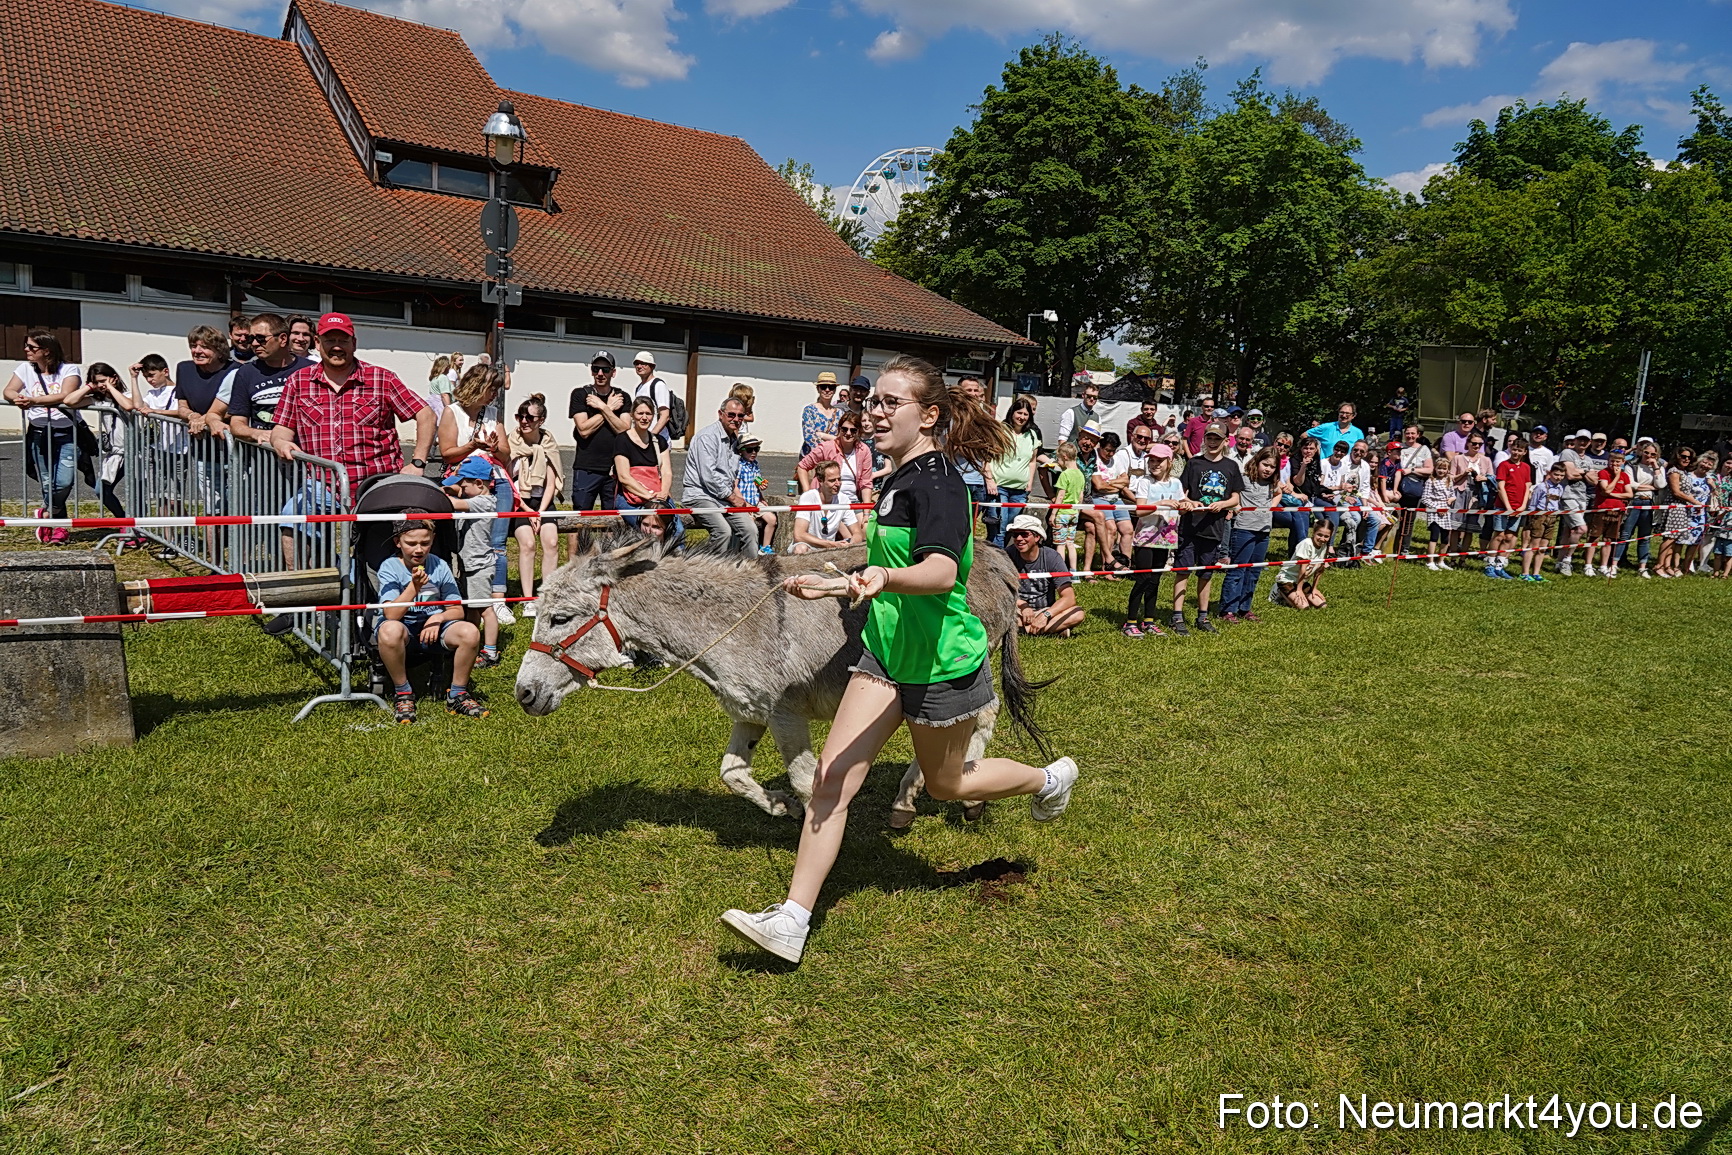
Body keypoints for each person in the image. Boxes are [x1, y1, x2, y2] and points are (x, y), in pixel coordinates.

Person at [721, 355, 1079, 965]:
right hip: (886, 654)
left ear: (929, 415)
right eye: (875, 401)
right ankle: (791, 920)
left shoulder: (937, 482)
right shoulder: (895, 479)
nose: (876, 412)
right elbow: (892, 565)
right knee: (832, 779)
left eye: (893, 403)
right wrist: (839, 586)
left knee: (947, 783)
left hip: (942, 661)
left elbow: (941, 572)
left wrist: (880, 576)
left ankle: (1049, 778)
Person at [271, 313, 435, 495]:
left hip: (376, 485)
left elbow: (425, 414)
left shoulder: (381, 378)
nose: (336, 347)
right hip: (320, 486)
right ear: (317, 343)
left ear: (354, 343)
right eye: (330, 340)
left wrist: (417, 463)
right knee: (293, 522)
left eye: (343, 341)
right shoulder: (298, 381)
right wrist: (279, 442)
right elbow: (283, 427)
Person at [374, 512, 486, 723]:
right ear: (398, 542)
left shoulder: (440, 566)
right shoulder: (390, 568)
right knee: (389, 630)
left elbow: (457, 610)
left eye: (425, 543)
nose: (418, 549)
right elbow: (391, 614)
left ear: (433, 540)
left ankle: (457, 694)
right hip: (402, 627)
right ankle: (403, 693)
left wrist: (437, 619)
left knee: (470, 632)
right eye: (411, 543)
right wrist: (414, 587)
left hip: (435, 626)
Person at [438, 364, 515, 622]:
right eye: (490, 388)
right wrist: (472, 445)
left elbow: (506, 454)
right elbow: (447, 452)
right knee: (463, 540)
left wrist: (494, 449)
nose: (494, 394)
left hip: (494, 479)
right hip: (463, 479)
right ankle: (466, 592)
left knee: (497, 541)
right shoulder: (452, 412)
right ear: (476, 386)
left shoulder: (493, 413)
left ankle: (497, 599)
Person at [4, 329, 87, 541]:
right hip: (39, 431)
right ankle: (58, 527)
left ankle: (47, 514)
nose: (26, 350)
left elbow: (66, 395)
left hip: (66, 431)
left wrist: (33, 401)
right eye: (26, 345)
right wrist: (17, 398)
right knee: (48, 482)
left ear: (47, 351)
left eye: (31, 347)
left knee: (65, 481)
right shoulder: (25, 368)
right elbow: (9, 390)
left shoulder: (69, 369)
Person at [1169, 422, 1243, 635]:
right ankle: (1177, 616)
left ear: (1225, 441)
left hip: (1214, 528)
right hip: (1190, 527)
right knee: (1183, 571)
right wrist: (1189, 502)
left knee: (1206, 574)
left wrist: (1223, 504)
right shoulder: (1194, 464)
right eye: (1209, 438)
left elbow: (1236, 497)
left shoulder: (1231, 466)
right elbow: (1181, 492)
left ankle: (1203, 616)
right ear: (1204, 440)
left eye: (1217, 439)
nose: (1212, 442)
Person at [442, 456, 504, 669]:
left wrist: (442, 495)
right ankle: (472, 643)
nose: (461, 489)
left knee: (486, 608)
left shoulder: (483, 502)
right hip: (468, 564)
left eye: (463, 484)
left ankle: (491, 652)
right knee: (471, 608)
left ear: (479, 484)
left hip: (479, 565)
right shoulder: (474, 499)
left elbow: (452, 503)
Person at [508, 393, 563, 615]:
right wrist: (528, 511)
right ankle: (528, 598)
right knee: (528, 544)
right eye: (520, 416)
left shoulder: (548, 443)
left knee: (551, 542)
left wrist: (539, 512)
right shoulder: (511, 442)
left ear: (541, 420)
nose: (523, 422)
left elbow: (551, 483)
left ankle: (546, 596)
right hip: (519, 501)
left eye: (529, 418)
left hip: (542, 501)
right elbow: (508, 483)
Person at [681, 397, 757, 552]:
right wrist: (732, 497)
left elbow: (731, 476)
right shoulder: (707, 437)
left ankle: (751, 572)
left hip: (723, 497)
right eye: (731, 414)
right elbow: (709, 476)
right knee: (723, 532)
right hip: (701, 495)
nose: (736, 419)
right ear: (720, 414)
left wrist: (740, 499)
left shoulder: (735, 439)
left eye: (740, 416)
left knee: (751, 530)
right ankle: (714, 574)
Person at [227, 313, 314, 447]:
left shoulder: (310, 370)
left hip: (303, 461)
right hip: (263, 461)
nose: (255, 344)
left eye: (261, 338)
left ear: (283, 339)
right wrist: (255, 433)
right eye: (252, 338)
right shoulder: (246, 372)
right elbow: (237, 422)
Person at [79, 362, 142, 545]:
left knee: (136, 493)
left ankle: (138, 530)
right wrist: (89, 387)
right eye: (96, 382)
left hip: (134, 453)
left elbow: (128, 406)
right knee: (102, 489)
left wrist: (112, 389)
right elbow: (70, 401)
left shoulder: (127, 395)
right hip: (115, 454)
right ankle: (123, 521)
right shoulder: (99, 400)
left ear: (113, 377)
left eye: (102, 380)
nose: (100, 385)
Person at [1123, 441, 1182, 638]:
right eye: (1152, 460)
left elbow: (1181, 502)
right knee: (1143, 579)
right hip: (1145, 538)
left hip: (1166, 538)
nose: (1155, 464)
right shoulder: (1144, 482)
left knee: (1155, 580)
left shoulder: (1176, 483)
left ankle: (1149, 620)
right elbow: (1140, 510)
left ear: (1169, 462)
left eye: (1159, 460)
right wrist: (1160, 503)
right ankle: (1130, 622)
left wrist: (1190, 504)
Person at [567, 350, 632, 515]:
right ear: (591, 371)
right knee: (579, 520)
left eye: (605, 369)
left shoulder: (622, 397)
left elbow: (625, 430)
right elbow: (583, 429)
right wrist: (610, 408)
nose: (600, 373)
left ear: (613, 372)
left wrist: (603, 407)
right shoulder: (581, 394)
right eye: (596, 369)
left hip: (614, 469)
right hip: (586, 467)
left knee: (612, 520)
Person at [1220, 446, 1280, 622]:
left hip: (1264, 530)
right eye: (1265, 464)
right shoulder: (1244, 478)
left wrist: (1272, 506)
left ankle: (1244, 608)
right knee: (1238, 569)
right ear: (1257, 461)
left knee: (1254, 571)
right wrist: (1235, 506)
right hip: (1244, 529)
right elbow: (1231, 494)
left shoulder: (1272, 483)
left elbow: (1279, 493)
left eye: (1272, 467)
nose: (1268, 469)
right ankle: (1227, 609)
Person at [1004, 515, 1085, 636]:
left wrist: (1045, 615)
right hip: (1016, 610)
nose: (1019, 539)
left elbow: (1069, 598)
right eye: (1015, 535)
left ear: (1037, 537)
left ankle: (1023, 630)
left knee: (1078, 613)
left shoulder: (1052, 557)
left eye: (1024, 534)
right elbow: (1002, 593)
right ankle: (1051, 630)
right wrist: (1023, 605)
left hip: (1045, 611)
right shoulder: (1006, 555)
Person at [985, 394, 1041, 549]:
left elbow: (1032, 461)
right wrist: (989, 480)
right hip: (999, 487)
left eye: (1025, 414)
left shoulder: (1032, 436)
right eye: (1019, 413)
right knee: (1000, 528)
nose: (1021, 417)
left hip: (1020, 490)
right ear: (1012, 413)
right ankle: (997, 563)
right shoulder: (1000, 431)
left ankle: (992, 552)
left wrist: (1029, 482)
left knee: (1010, 526)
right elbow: (987, 457)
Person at [613, 395, 675, 533]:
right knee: (649, 529)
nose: (644, 417)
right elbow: (624, 477)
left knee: (676, 530)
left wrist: (664, 492)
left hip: (659, 496)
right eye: (640, 413)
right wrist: (649, 496)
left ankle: (677, 554)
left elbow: (666, 471)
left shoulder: (660, 441)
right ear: (632, 415)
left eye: (648, 413)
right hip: (631, 498)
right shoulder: (622, 440)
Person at [1612, 439, 1663, 577]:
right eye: (1646, 453)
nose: (1649, 456)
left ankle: (1642, 567)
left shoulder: (1658, 468)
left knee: (1645, 536)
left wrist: (1656, 468)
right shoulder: (1632, 465)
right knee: (1625, 534)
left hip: (1649, 503)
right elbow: (1631, 484)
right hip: (1634, 501)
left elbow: (1661, 484)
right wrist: (1651, 487)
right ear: (1641, 452)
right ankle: (1614, 564)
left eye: (1653, 454)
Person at [1657, 448, 1711, 577]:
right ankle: (1658, 565)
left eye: (1689, 457)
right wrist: (1694, 501)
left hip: (1683, 508)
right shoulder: (1674, 471)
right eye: (1683, 456)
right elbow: (1677, 492)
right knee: (1670, 538)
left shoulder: (1683, 471)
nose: (1686, 459)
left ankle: (1667, 565)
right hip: (1675, 507)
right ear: (1677, 456)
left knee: (1674, 539)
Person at [789, 460, 861, 553]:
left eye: (839, 479)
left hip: (830, 548)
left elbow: (857, 533)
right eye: (832, 480)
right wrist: (831, 544)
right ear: (820, 481)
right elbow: (799, 535)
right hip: (809, 545)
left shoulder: (843, 499)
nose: (837, 483)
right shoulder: (808, 497)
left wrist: (850, 544)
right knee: (800, 549)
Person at [1488, 438, 1533, 579]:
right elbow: (1500, 487)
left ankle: (1499, 566)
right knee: (1499, 535)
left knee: (1509, 536)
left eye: (1519, 450)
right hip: (1503, 506)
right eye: (1514, 449)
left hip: (1518, 507)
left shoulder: (1526, 467)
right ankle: (1489, 565)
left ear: (1524, 452)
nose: (1516, 452)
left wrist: (1522, 506)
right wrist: (1508, 507)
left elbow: (1527, 487)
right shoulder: (1504, 465)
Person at [1585, 448, 1632, 577]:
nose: (1614, 465)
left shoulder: (1625, 476)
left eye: (1617, 462)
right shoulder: (1603, 473)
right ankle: (1588, 565)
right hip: (1602, 508)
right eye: (1612, 461)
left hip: (1617, 511)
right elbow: (1605, 489)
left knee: (1609, 539)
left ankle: (1603, 566)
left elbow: (1629, 494)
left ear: (1622, 462)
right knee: (1594, 537)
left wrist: (1611, 494)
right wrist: (1616, 477)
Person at [1552, 430, 1594, 576]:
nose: (1582, 443)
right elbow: (1570, 475)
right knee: (1581, 529)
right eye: (1580, 440)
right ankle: (1567, 560)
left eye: (1586, 440)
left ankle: (1558, 561)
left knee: (1569, 531)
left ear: (1589, 442)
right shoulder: (1568, 453)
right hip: (1568, 495)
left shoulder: (1589, 459)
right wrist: (1585, 472)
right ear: (1575, 440)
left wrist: (1580, 472)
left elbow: (1594, 480)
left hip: (1582, 496)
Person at [1274, 436, 1323, 553]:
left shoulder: (1287, 462)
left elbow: (1289, 483)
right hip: (1274, 497)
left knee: (1303, 512)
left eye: (1286, 446)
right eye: (1280, 444)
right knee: (1295, 517)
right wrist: (1294, 494)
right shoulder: (1270, 457)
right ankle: (1303, 547)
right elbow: (1275, 480)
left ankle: (1298, 551)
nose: (1282, 448)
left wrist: (1292, 492)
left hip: (1288, 496)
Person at [1272, 518, 1334, 608]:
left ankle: (1295, 594)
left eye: (1326, 536)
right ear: (1313, 532)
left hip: (1301, 581)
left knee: (1322, 605)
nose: (1322, 539)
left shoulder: (1324, 546)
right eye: (1319, 535)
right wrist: (1299, 589)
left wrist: (1314, 588)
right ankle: (1279, 591)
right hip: (1287, 579)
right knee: (1304, 607)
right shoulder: (1307, 544)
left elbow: (1320, 569)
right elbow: (1303, 568)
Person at [1521, 462, 1567, 581]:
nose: (1558, 478)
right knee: (1533, 545)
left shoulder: (1560, 488)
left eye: (1562, 475)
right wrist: (1531, 519)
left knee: (1543, 547)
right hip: (1539, 516)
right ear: (1550, 473)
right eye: (1556, 474)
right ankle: (1525, 573)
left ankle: (1536, 573)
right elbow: (1532, 504)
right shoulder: (1542, 487)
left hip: (1552, 518)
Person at [1048, 441, 1085, 577]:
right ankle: (1074, 572)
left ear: (1064, 456)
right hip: (1074, 513)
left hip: (1062, 513)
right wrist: (1077, 511)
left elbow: (1060, 496)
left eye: (1058, 459)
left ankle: (1060, 572)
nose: (1058, 462)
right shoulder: (1080, 475)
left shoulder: (1065, 474)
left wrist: (1053, 514)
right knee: (1071, 543)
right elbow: (1081, 497)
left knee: (1060, 545)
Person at [1423, 449, 1461, 571]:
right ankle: (1430, 561)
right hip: (1435, 511)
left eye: (1444, 469)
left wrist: (1451, 499)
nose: (1441, 471)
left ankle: (1441, 560)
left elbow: (1452, 494)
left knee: (1445, 538)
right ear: (1435, 468)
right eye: (1439, 468)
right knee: (1434, 536)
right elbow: (1425, 498)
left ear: (1447, 470)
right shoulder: (1430, 481)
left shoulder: (1448, 481)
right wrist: (1436, 507)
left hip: (1446, 511)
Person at [736, 437, 775, 554]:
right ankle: (749, 550)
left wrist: (761, 494)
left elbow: (757, 481)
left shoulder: (755, 464)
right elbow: (735, 487)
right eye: (749, 450)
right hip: (744, 502)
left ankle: (765, 547)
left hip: (755, 500)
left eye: (756, 449)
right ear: (741, 451)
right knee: (750, 524)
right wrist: (743, 503)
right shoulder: (739, 465)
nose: (753, 453)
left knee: (772, 519)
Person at [630, 351, 674, 448]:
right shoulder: (639, 388)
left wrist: (651, 437)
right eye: (637, 363)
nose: (639, 366)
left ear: (652, 367)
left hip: (658, 440)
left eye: (644, 363)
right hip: (644, 440)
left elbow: (665, 415)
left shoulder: (658, 385)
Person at [800, 371, 842, 457]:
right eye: (823, 387)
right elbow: (809, 437)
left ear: (834, 390)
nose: (827, 390)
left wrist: (822, 435)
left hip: (833, 459)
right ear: (818, 389)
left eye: (831, 387)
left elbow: (842, 438)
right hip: (811, 458)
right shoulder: (809, 410)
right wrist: (832, 441)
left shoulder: (840, 413)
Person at [425, 355, 455, 423]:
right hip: (441, 406)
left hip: (434, 406)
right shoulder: (443, 377)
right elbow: (444, 395)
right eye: (448, 366)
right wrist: (449, 409)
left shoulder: (434, 378)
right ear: (445, 367)